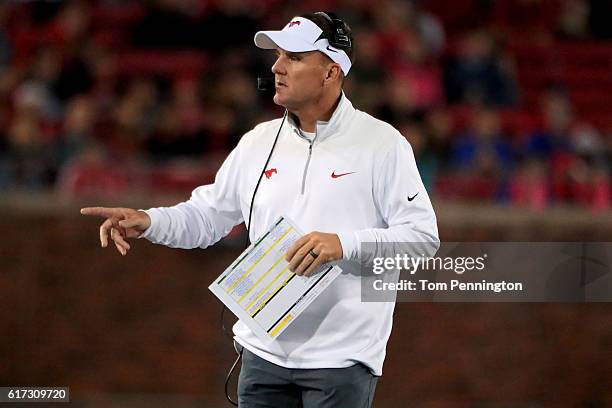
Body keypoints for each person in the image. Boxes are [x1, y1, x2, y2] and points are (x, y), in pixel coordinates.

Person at [81, 12, 439, 408]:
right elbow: (207, 216)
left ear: (331, 71)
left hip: (341, 359)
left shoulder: (383, 144)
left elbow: (422, 239)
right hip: (262, 354)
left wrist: (344, 244)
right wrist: (149, 221)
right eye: (278, 55)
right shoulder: (258, 141)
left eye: (295, 57)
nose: (277, 67)